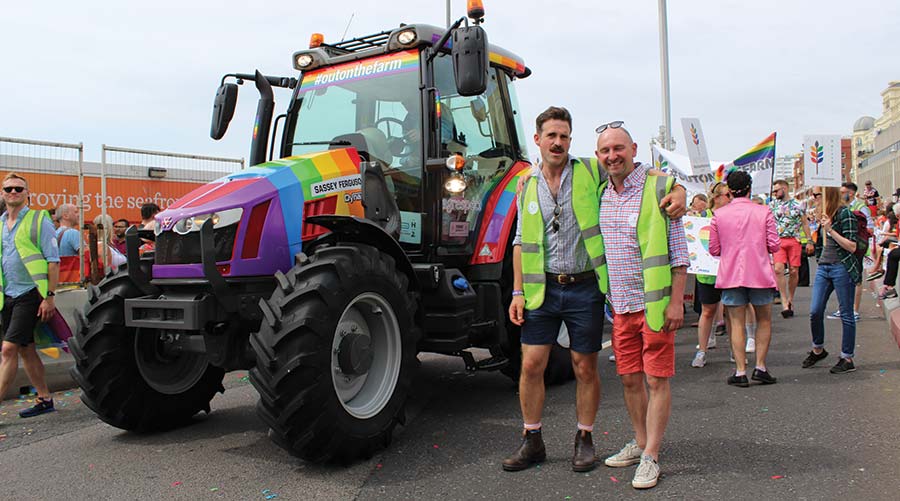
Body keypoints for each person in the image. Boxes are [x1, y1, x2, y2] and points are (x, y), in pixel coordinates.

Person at [504, 108, 688, 475]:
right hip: (544, 289)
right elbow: (521, 241)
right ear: (537, 139)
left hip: (586, 287)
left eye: (565, 136)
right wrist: (517, 291)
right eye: (551, 135)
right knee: (530, 364)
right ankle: (532, 439)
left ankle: (586, 439)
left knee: (585, 366)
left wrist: (679, 188)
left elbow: (639, 173)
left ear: (571, 141)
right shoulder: (525, 182)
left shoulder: (590, 171)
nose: (558, 142)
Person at [594, 122, 688, 490]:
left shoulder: (659, 187)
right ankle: (640, 440)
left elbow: (679, 253)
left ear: (634, 148)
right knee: (630, 378)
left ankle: (651, 456)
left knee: (655, 379)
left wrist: (677, 301)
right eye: (605, 151)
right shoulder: (600, 192)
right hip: (620, 305)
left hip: (655, 305)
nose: (612, 156)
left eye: (619, 148)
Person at [709, 171, 780, 387]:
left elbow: (714, 249)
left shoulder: (718, 215)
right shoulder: (764, 211)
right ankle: (760, 366)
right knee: (764, 319)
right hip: (759, 272)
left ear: (729, 190)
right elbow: (775, 244)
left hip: (731, 274)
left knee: (737, 323)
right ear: (750, 189)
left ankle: (740, 371)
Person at [0, 173, 61, 417]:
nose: (13, 192)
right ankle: (45, 398)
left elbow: (53, 261)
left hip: (30, 293)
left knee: (7, 350)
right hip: (8, 295)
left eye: (18, 189)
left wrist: (49, 297)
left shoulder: (39, 220)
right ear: (2, 194)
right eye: (9, 189)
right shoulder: (1, 224)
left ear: (27, 194)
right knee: (26, 349)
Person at [804, 186, 863, 374]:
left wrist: (830, 230)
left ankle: (847, 357)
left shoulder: (845, 214)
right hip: (824, 267)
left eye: (816, 195)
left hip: (841, 267)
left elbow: (852, 246)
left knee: (846, 313)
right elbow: (819, 243)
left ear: (826, 194)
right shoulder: (822, 215)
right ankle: (818, 349)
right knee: (815, 310)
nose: (813, 198)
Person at [691, 182, 731, 368]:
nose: (730, 198)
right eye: (726, 195)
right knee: (707, 311)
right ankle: (702, 351)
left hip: (729, 272)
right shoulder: (702, 217)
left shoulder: (732, 216)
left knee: (732, 311)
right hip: (707, 274)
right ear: (716, 197)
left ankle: (735, 349)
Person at [769, 180, 814, 318]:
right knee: (778, 269)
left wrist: (809, 240)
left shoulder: (798, 205)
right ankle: (783, 300)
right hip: (778, 241)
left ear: (784, 189)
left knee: (794, 271)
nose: (775, 193)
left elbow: (805, 223)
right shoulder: (772, 205)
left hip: (794, 239)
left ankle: (790, 299)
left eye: (777, 190)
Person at [828, 182, 872, 322]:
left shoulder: (860, 207)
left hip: (856, 247)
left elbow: (869, 227)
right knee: (846, 278)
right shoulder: (840, 207)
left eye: (842, 192)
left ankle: (854, 310)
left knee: (856, 278)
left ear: (850, 193)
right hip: (843, 247)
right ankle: (844, 308)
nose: (840, 194)